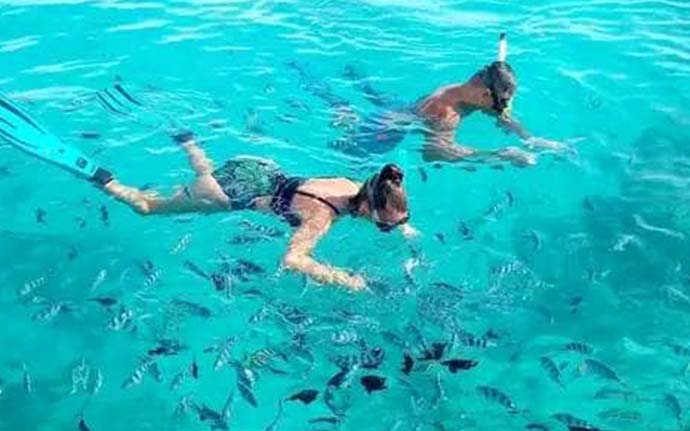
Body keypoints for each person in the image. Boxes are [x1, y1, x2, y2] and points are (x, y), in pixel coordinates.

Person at [0, 96, 410, 292]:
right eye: (387, 228)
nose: (389, 230)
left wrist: (404, 227)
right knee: (146, 208)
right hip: (231, 191)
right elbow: (292, 259)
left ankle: (188, 140)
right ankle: (97, 174)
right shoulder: (321, 219)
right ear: (371, 212)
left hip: (257, 166)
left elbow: (382, 198)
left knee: (204, 175)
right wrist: (342, 278)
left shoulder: (349, 182)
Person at [292, 34, 565, 166]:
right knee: (350, 145)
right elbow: (434, 152)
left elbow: (497, 110)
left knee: (369, 97)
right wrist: (499, 155)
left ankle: (348, 78)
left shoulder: (465, 88)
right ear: (485, 95)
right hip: (386, 128)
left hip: (404, 106)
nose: (501, 107)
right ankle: (317, 84)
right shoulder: (446, 113)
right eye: (499, 101)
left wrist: (527, 137)